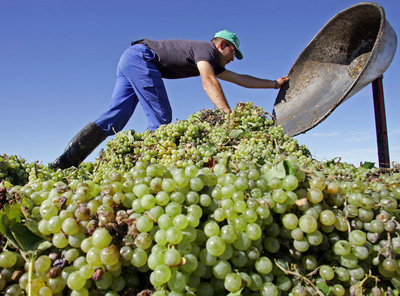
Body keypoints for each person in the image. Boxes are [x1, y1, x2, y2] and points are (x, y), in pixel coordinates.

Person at [51, 29, 289, 169]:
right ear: (222, 44)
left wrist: (273, 84)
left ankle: (65, 162)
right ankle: (152, 170)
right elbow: (208, 81)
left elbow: (241, 79)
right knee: (161, 118)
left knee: (117, 117)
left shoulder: (214, 60)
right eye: (233, 52)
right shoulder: (206, 50)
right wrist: (227, 112)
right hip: (142, 58)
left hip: (131, 57)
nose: (233, 58)